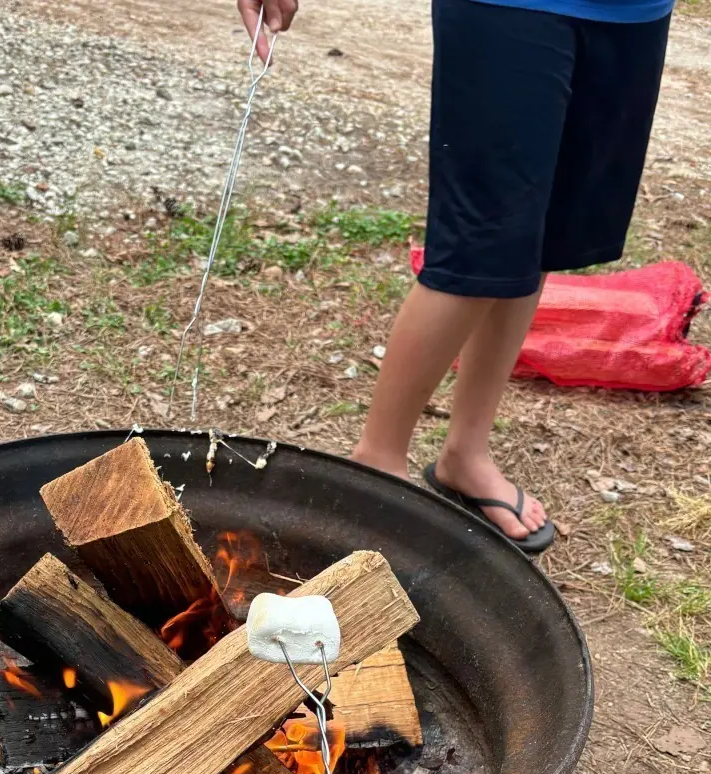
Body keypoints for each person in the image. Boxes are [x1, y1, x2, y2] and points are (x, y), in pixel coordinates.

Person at [239, 0, 673, 553]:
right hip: (511, 8)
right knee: (479, 245)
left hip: (633, 14)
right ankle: (376, 464)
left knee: (534, 239)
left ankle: (465, 455)